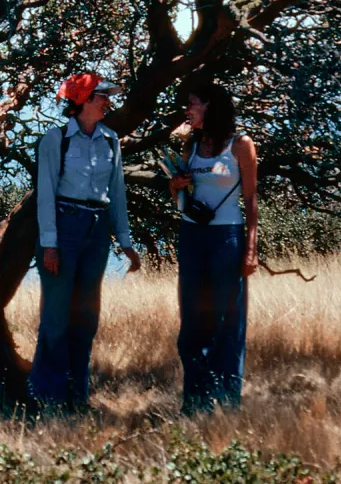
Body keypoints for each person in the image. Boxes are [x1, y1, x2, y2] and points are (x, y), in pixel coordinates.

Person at [31, 72, 143, 410]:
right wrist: (50, 245)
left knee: (86, 317)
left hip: (97, 229)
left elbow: (117, 192)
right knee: (56, 316)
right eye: (102, 96)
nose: (108, 102)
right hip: (64, 227)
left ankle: (77, 398)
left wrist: (125, 241)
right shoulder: (57, 139)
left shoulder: (110, 140)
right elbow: (45, 194)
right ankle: (47, 398)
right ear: (83, 100)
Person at [167, 83, 259, 414]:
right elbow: (181, 199)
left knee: (227, 319)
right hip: (192, 235)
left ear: (210, 106)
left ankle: (227, 402)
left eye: (192, 103)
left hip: (227, 237)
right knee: (192, 319)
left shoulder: (240, 144)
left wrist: (252, 247)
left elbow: (251, 197)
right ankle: (195, 401)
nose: (187, 110)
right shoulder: (191, 145)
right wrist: (175, 186)